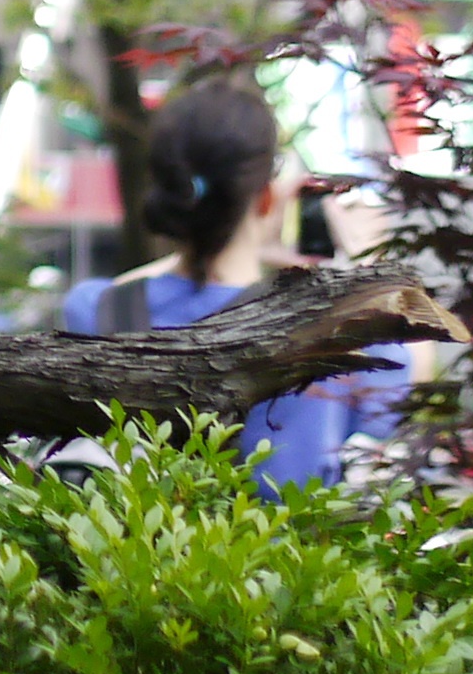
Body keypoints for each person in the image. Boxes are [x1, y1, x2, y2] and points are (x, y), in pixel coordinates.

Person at [60, 77, 408, 494]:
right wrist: (368, 270)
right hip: (286, 556)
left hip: (131, 553)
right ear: (266, 198)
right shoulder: (344, 329)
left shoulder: (96, 309)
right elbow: (386, 430)